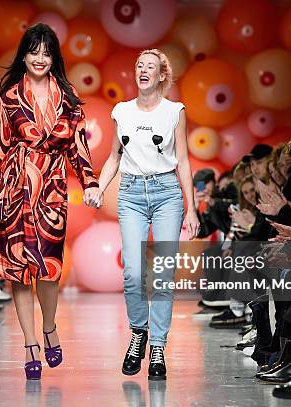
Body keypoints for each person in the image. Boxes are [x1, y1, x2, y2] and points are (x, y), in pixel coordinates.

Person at [0, 23, 99, 381]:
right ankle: (30, 343)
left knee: (49, 268)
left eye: (46, 53)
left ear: (54, 57)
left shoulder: (69, 96)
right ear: (24, 55)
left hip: (51, 191)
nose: (40, 59)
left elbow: (79, 147)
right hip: (12, 190)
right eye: (34, 52)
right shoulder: (10, 97)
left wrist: (90, 183)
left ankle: (49, 327)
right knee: (17, 270)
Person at [94, 49, 199, 381]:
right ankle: (138, 332)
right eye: (140, 65)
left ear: (161, 75)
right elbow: (114, 156)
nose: (143, 70)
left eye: (150, 66)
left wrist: (192, 207)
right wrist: (98, 187)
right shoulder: (121, 111)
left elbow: (182, 160)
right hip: (131, 194)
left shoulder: (174, 112)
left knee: (164, 275)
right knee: (133, 273)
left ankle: (158, 346)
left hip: (167, 193)